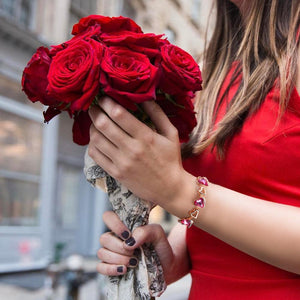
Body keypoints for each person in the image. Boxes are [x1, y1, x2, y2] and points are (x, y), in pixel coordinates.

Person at [87, 0, 300, 298]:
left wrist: (181, 192)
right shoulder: (217, 70)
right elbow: (226, 198)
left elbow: (198, 196)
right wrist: (171, 257)